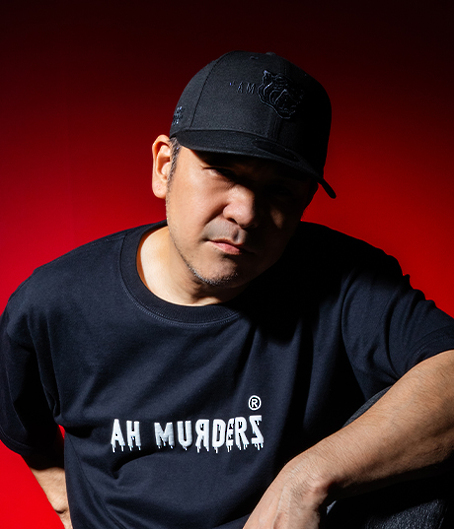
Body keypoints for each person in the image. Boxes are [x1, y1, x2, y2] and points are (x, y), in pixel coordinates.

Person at [1, 50, 454, 529]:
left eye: (281, 190)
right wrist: (65, 503)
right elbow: (24, 425)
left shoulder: (345, 279)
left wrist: (308, 479)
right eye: (225, 171)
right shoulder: (55, 303)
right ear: (164, 167)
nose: (246, 213)